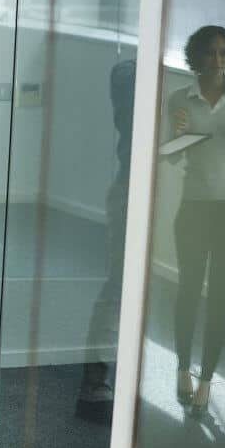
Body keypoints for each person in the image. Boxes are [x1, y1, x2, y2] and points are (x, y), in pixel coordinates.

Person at [166, 25, 225, 415]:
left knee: (219, 298)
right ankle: (181, 368)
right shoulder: (180, 98)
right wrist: (177, 133)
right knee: (189, 292)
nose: (218, 61)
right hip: (193, 209)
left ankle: (207, 379)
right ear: (198, 56)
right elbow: (171, 157)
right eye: (211, 53)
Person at [75, 58, 135, 424]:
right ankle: (94, 381)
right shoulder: (130, 77)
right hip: (130, 194)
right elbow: (124, 77)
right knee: (119, 286)